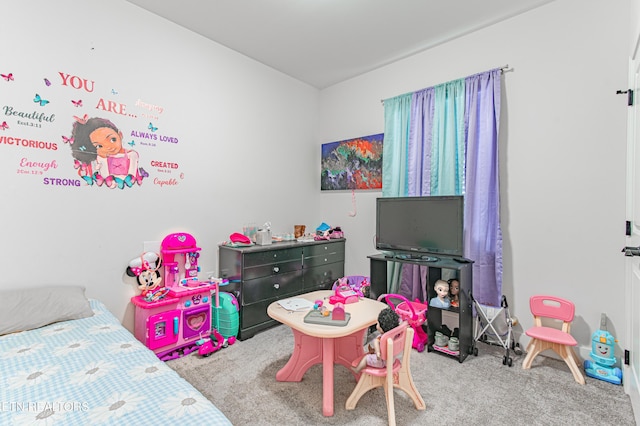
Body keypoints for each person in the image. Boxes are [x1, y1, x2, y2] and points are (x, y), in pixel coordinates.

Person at [69, 117, 142, 188]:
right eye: (99, 146)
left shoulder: (131, 154)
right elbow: (105, 177)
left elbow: (132, 175)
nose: (108, 147)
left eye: (113, 139)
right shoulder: (101, 158)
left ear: (120, 135)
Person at [351, 307, 400, 373]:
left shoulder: (382, 338)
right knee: (374, 352)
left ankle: (357, 370)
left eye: (378, 323)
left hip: (382, 362)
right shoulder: (395, 335)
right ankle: (374, 352)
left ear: (381, 328)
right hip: (392, 360)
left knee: (366, 358)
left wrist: (378, 353)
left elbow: (376, 342)